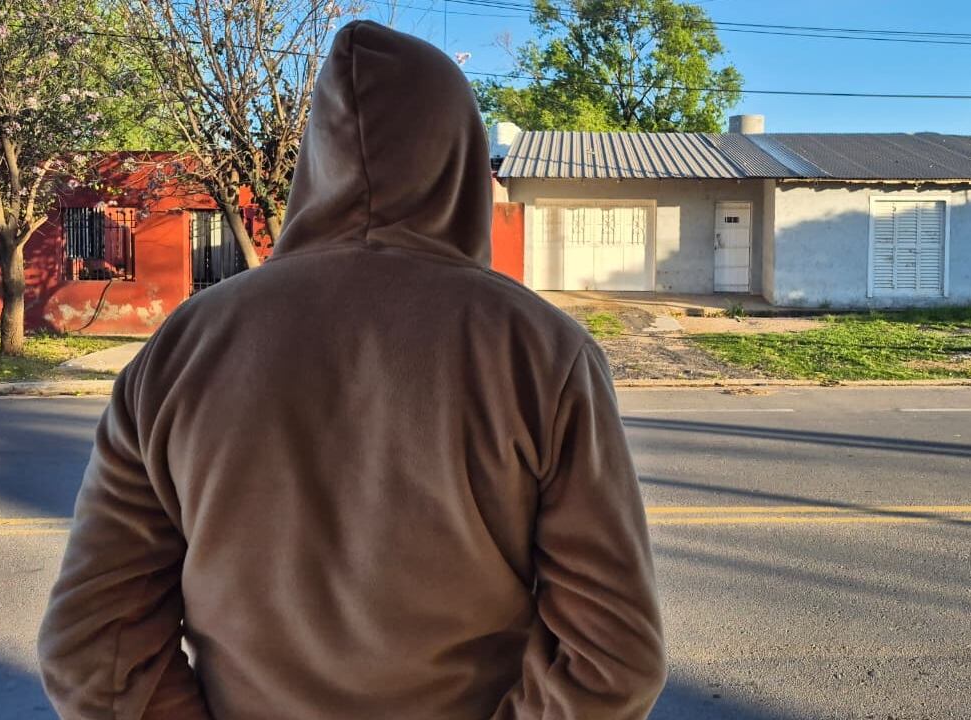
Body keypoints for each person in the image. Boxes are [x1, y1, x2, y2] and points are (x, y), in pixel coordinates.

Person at [37, 20, 665, 720]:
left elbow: (95, 650)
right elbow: (611, 661)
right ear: (461, 162)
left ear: (317, 159)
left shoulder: (182, 349)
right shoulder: (541, 352)